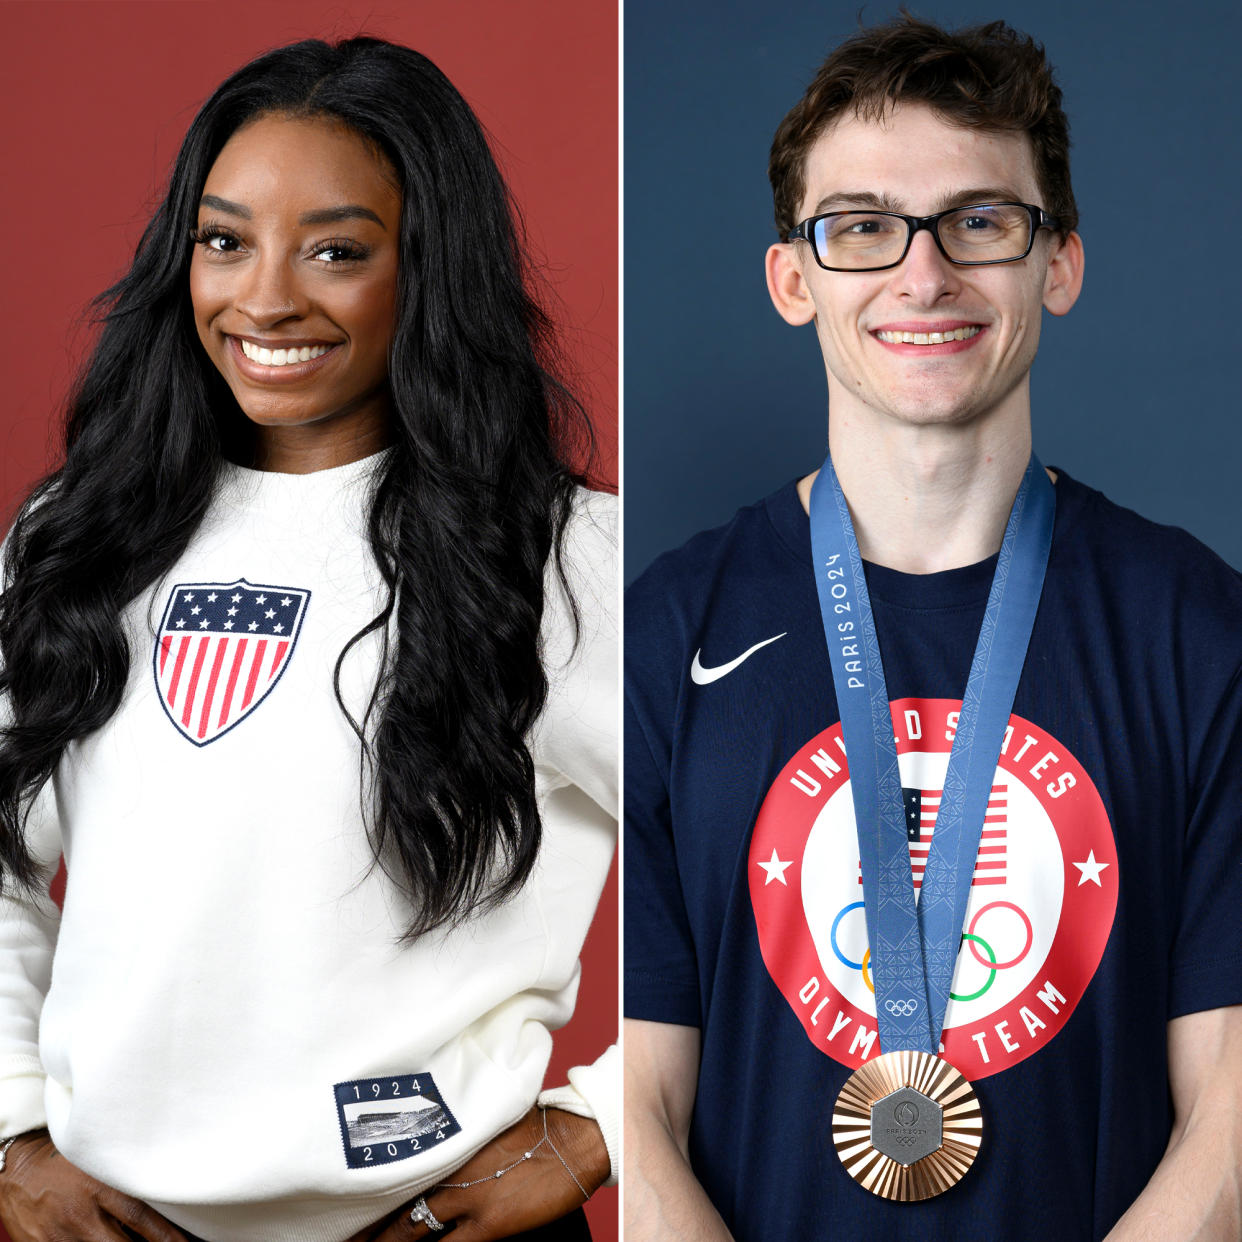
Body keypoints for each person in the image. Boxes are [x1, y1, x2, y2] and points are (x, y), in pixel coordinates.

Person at [624, 15, 1241, 1241]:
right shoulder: (662, 633)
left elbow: (1230, 1109)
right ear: (793, 280)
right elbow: (636, 1102)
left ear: (1058, 263)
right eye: (861, 228)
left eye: (980, 221)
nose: (923, 276)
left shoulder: (1196, 628)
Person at [0, 36, 617, 1242]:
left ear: (429, 270)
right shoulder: (75, 540)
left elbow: (760, 853)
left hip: (428, 1224)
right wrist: (12, 1130)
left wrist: (602, 1130)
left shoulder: (560, 558)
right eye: (224, 240)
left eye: (337, 250)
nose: (266, 297)